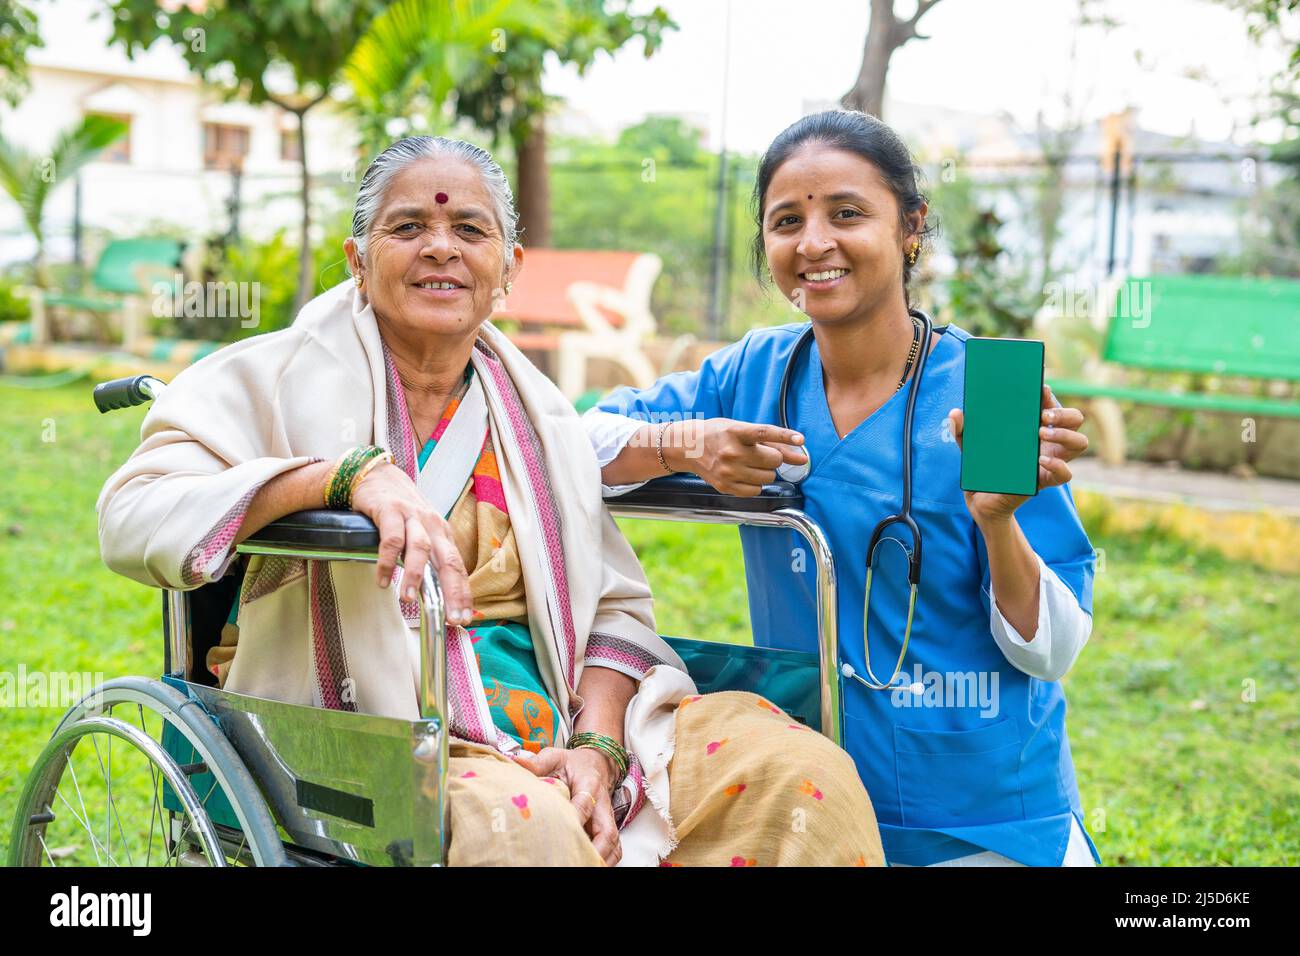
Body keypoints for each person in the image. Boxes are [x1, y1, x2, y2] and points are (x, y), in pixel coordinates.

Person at [96, 135, 884, 867]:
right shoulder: (264, 377)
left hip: (565, 716)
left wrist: (598, 747)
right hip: (374, 727)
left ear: (507, 268)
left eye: (469, 231)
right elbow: (133, 513)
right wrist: (344, 479)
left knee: (798, 774)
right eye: (407, 227)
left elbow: (611, 614)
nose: (440, 247)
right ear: (357, 260)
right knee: (528, 825)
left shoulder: (541, 419)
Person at [585, 110, 1100, 867]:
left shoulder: (987, 393)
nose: (814, 243)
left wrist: (997, 522)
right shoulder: (750, 376)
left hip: (982, 819)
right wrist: (680, 444)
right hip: (810, 798)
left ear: (911, 227)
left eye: (847, 213)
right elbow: (572, 442)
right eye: (786, 221)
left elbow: (1052, 651)